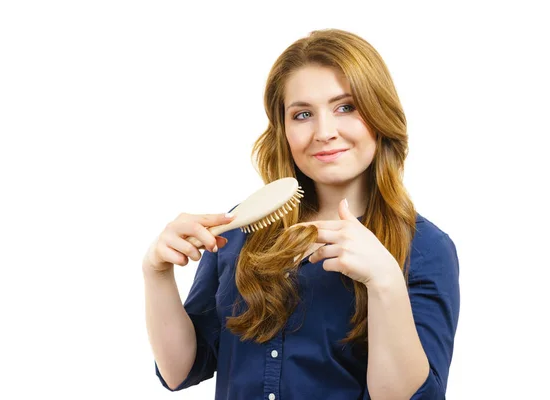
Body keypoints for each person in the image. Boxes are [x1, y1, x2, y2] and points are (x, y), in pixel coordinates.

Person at [142, 28, 460, 400]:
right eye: (303, 114)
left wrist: (385, 281)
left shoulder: (426, 249)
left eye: (346, 107)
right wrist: (156, 272)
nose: (324, 132)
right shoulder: (240, 230)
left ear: (379, 112)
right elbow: (181, 370)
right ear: (283, 129)